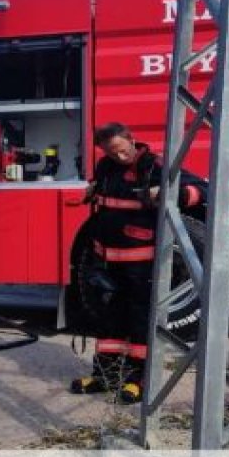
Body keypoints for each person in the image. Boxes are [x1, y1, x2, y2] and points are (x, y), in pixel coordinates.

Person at [68, 122, 206, 405]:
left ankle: (138, 380)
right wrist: (90, 192)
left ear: (132, 140)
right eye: (111, 152)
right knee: (108, 321)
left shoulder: (153, 166)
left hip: (141, 264)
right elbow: (106, 200)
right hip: (107, 261)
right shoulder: (106, 167)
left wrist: (171, 195)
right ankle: (106, 376)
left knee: (140, 321)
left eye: (121, 150)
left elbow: (202, 189)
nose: (119, 157)